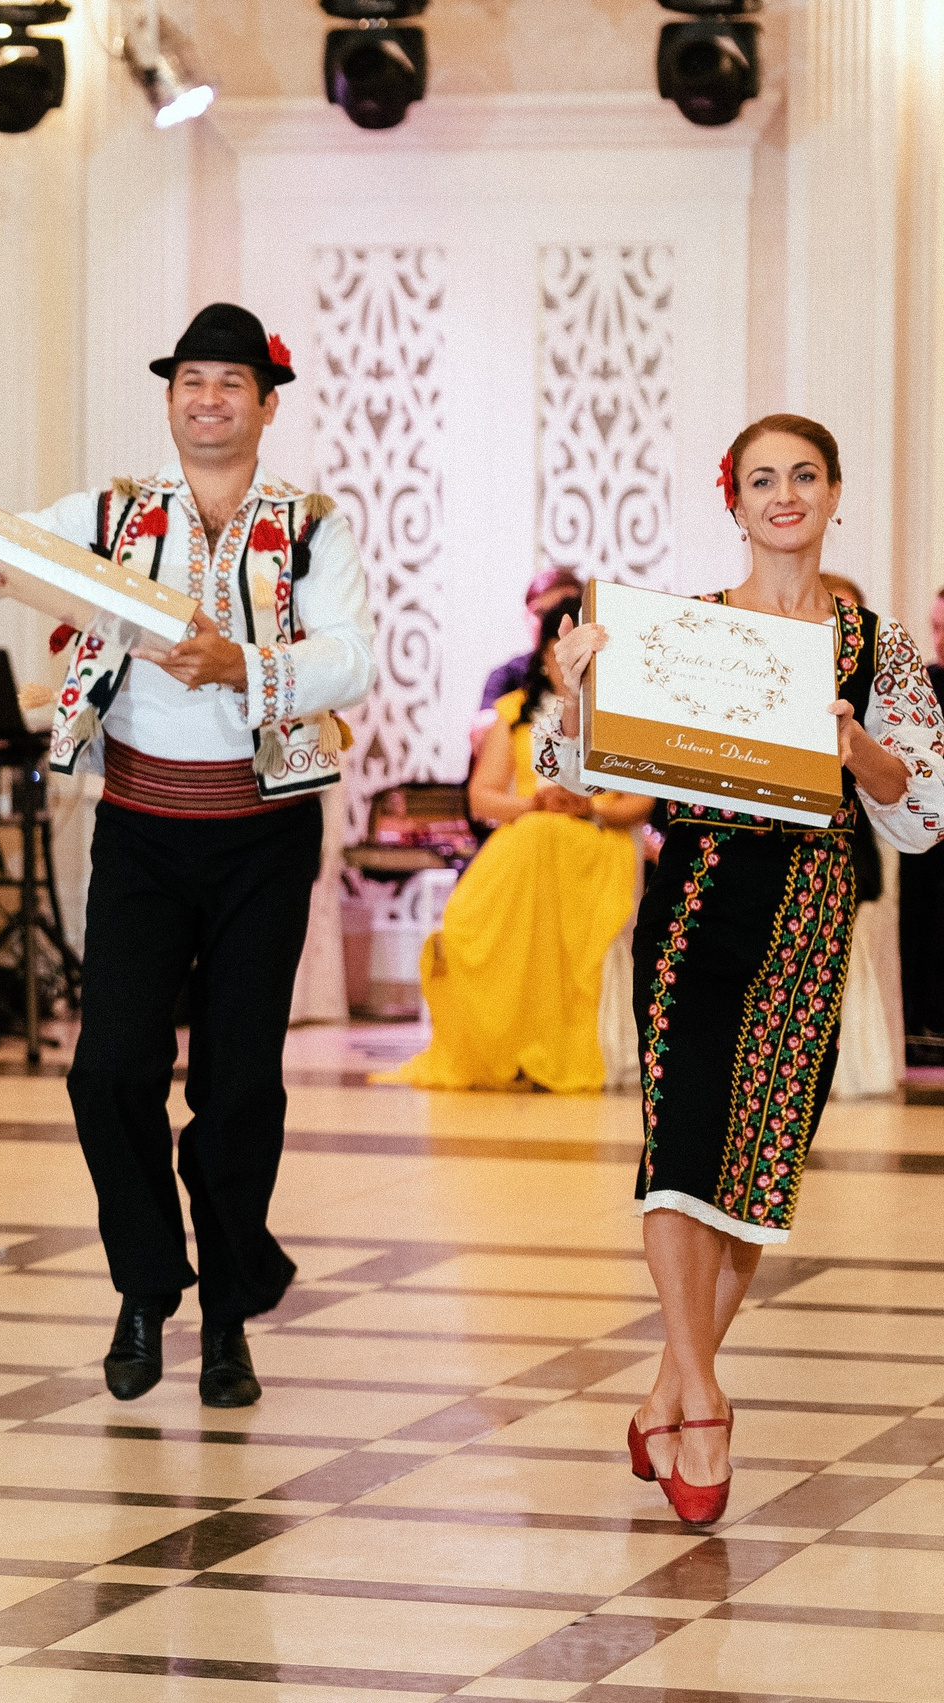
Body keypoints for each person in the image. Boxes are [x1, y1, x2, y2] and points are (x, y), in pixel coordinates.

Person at [0, 302, 374, 1409]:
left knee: (239, 1083)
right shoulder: (110, 514)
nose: (207, 398)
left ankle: (225, 1317)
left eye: (230, 383)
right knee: (109, 1069)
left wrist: (242, 666)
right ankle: (149, 1284)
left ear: (264, 403)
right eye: (189, 380)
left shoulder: (310, 523)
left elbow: (352, 654)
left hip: (262, 829)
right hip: (144, 828)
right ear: (169, 397)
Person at [545, 413, 944, 1525]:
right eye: (760, 479)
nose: (782, 495)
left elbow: (922, 815)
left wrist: (854, 743)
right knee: (679, 1147)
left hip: (811, 910)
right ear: (733, 501)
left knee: (755, 1171)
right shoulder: (680, 631)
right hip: (696, 899)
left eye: (802, 475)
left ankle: (668, 1385)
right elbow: (572, 772)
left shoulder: (878, 645)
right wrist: (577, 688)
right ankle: (707, 1400)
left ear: (831, 492)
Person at [378, 598, 650, 1094]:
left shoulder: (623, 719)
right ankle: (505, 1041)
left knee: (547, 845)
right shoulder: (513, 715)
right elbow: (482, 797)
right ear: (546, 655)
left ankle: (558, 1044)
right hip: (529, 837)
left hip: (597, 841)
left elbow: (641, 803)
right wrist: (535, 802)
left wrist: (591, 808)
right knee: (471, 920)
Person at [901, 588, 944, 1043]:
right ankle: (922, 1025)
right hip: (926, 837)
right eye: (935, 628)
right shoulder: (923, 686)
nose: (940, 639)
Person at [478, 566, 584, 709]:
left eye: (565, 611)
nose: (555, 622)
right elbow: (483, 726)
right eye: (542, 613)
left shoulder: (599, 666)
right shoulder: (508, 676)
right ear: (526, 617)